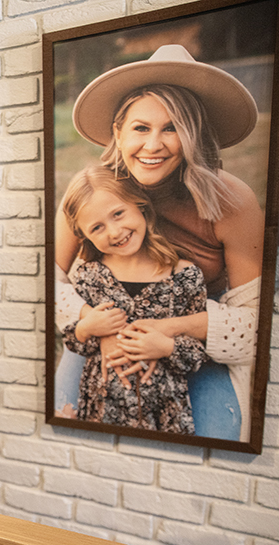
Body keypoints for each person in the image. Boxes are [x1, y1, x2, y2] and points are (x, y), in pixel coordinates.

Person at [54, 44, 265, 441]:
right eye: (141, 128)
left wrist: (167, 331)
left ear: (195, 133)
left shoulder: (232, 203)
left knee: (216, 434)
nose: (154, 145)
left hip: (192, 343)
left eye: (172, 128)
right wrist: (98, 326)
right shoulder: (95, 191)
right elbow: (50, 280)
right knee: (67, 422)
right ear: (118, 131)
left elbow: (254, 327)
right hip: (101, 331)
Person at [59, 166, 208, 433]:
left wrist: (165, 347)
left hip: (164, 414)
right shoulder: (89, 277)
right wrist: (86, 328)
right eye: (97, 227)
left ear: (140, 206)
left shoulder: (185, 276)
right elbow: (74, 341)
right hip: (102, 408)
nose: (115, 232)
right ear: (85, 236)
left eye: (118, 214)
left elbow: (197, 353)